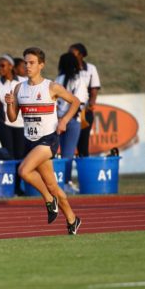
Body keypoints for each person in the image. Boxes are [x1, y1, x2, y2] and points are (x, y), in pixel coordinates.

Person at [6, 47, 82, 235]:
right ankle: (72, 219)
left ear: (41, 65)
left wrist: (64, 120)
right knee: (52, 185)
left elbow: (75, 101)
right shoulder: (19, 88)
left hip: (48, 139)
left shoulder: (51, 87)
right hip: (31, 141)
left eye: (32, 63)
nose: (27, 66)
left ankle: (49, 200)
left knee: (23, 171)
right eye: (25, 62)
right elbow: (13, 118)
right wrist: (9, 104)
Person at [55, 52, 88, 193]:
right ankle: (66, 182)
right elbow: (79, 102)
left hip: (57, 120)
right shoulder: (78, 79)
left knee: (55, 153)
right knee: (68, 154)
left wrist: (60, 118)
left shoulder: (57, 79)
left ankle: (58, 181)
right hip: (72, 119)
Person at [0, 54, 24, 160]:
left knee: (21, 154)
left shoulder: (23, 81)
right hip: (4, 125)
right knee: (9, 154)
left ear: (11, 66)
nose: (0, 68)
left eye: (2, 65)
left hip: (22, 124)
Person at [69, 43, 101, 157]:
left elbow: (94, 89)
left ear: (81, 55)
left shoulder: (91, 69)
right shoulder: (67, 68)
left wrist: (90, 104)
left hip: (84, 111)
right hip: (69, 112)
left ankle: (83, 167)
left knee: (83, 144)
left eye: (72, 53)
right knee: (69, 144)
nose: (69, 55)